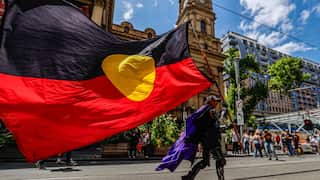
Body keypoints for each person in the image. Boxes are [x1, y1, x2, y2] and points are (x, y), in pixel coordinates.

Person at [181, 95, 226, 180]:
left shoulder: (204, 111)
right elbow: (219, 119)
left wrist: (221, 128)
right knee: (220, 160)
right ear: (210, 101)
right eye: (215, 101)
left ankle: (189, 176)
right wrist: (224, 111)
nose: (216, 103)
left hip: (206, 141)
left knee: (205, 162)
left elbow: (213, 125)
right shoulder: (210, 110)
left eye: (217, 101)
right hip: (212, 141)